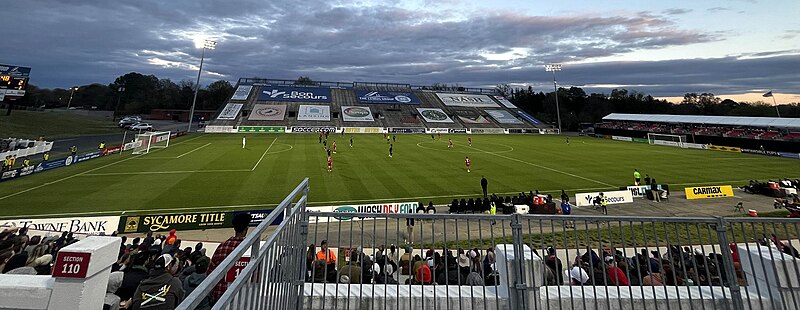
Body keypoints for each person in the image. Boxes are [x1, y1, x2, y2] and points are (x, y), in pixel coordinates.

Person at [207, 213, 251, 302]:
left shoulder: (222, 247)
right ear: (246, 229)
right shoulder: (250, 248)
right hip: (241, 299)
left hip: (219, 298)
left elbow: (209, 273)